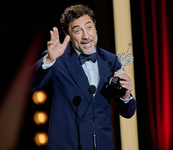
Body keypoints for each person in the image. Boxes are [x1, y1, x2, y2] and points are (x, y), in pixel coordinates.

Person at [32, 4, 136, 150]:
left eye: (89, 27)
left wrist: (126, 96)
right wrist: (49, 60)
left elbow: (127, 113)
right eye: (78, 30)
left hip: (101, 145)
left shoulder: (111, 61)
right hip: (67, 145)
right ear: (67, 34)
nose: (86, 36)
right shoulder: (57, 59)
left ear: (95, 28)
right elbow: (29, 84)